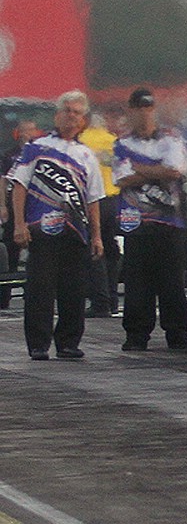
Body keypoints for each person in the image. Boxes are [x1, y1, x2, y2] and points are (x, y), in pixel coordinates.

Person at [5, 91, 105, 359]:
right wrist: (19, 223)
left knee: (74, 290)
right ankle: (38, 344)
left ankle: (68, 342)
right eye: (67, 111)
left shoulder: (86, 155)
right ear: (57, 115)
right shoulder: (36, 147)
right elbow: (19, 185)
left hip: (75, 231)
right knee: (40, 289)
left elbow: (93, 199)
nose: (71, 116)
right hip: (42, 229)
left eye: (76, 112)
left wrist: (97, 236)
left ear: (83, 120)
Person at [113, 88, 187, 351]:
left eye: (148, 108)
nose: (144, 113)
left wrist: (139, 169)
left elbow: (175, 171)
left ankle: (177, 333)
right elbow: (121, 178)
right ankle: (136, 335)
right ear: (131, 111)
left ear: (153, 110)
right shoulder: (122, 143)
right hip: (135, 224)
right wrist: (156, 171)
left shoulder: (172, 139)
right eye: (139, 108)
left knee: (172, 282)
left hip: (170, 224)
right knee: (137, 283)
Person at [80, 110, 121, 318]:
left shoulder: (82, 141)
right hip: (114, 199)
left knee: (95, 250)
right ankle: (113, 299)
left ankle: (100, 302)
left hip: (92, 200)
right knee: (112, 250)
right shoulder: (113, 141)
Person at [1, 120, 41, 310]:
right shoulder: (9, 155)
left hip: (34, 207)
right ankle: (5, 296)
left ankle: (32, 294)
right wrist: (2, 206)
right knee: (10, 250)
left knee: (37, 249)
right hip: (13, 205)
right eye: (24, 131)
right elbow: (3, 180)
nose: (28, 134)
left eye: (31, 131)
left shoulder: (41, 153)